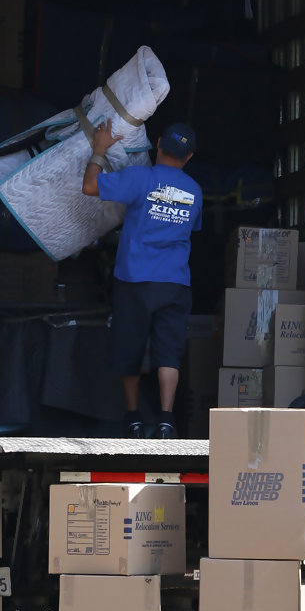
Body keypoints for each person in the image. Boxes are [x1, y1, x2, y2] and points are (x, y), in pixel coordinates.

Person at [82, 119, 202, 438]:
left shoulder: (140, 178)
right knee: (169, 353)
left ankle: (133, 418)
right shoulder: (195, 191)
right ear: (189, 158)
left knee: (129, 350)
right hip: (175, 284)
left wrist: (98, 150)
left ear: (158, 143)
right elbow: (191, 230)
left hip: (135, 281)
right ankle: (166, 420)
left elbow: (90, 187)